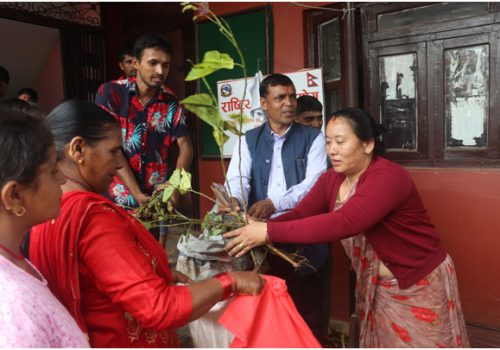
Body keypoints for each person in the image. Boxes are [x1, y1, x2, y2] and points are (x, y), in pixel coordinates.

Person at [224, 107, 470, 347]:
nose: (332, 150)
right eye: (328, 142)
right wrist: (261, 227)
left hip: (417, 284)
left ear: (367, 144)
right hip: (377, 287)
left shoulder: (388, 177)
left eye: (340, 142)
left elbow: (345, 222)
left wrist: (267, 232)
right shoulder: (332, 178)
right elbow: (300, 213)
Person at [28, 100, 264, 347]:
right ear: (78, 149)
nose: (120, 164)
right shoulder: (92, 217)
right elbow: (159, 308)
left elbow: (93, 277)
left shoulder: (48, 209)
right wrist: (232, 280)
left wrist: (150, 272)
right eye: (113, 151)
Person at [223, 73, 330, 343]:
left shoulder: (314, 138)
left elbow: (314, 185)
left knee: (308, 312)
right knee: (270, 312)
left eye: (292, 96)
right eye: (280, 97)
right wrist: (235, 200)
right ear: (264, 103)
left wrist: (274, 203)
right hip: (261, 240)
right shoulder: (247, 140)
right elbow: (237, 178)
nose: (289, 103)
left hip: (304, 239)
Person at [0, 107, 89, 347]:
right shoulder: (12, 305)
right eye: (51, 171)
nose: (62, 178)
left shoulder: (13, 260)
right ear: (15, 195)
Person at [95, 33, 194, 242]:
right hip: (116, 198)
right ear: (135, 63)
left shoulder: (171, 101)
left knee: (150, 257)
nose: (160, 71)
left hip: (152, 202)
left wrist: (174, 184)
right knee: (117, 257)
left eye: (165, 65)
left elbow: (185, 146)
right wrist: (136, 193)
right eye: (153, 63)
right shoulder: (111, 93)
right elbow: (111, 149)